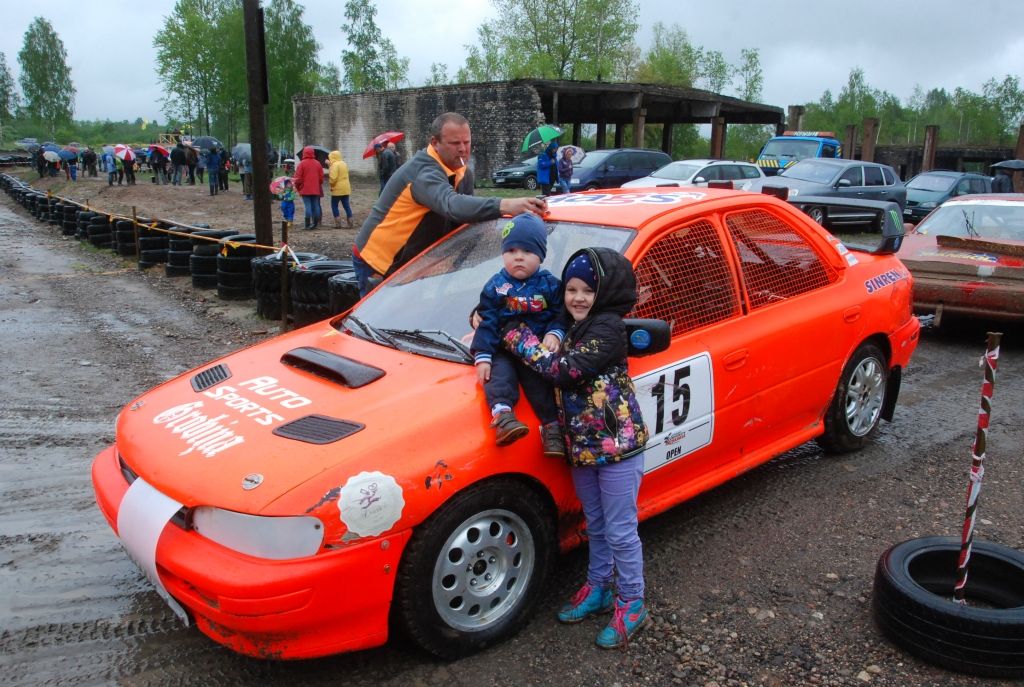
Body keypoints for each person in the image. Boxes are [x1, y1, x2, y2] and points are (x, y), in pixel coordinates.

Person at [500, 247, 650, 649]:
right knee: (596, 525)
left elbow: (563, 371)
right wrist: (488, 316)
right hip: (582, 450)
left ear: (605, 294)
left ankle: (632, 602)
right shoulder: (565, 324)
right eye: (571, 289)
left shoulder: (608, 331)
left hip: (619, 449)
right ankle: (599, 587)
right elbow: (517, 302)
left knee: (620, 531)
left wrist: (513, 334)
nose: (578, 297)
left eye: (587, 290)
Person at [352, 111, 547, 296]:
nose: (463, 149)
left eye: (466, 142)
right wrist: (505, 205)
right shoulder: (424, 173)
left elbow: (468, 224)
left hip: (410, 263)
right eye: (455, 143)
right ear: (435, 143)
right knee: (380, 320)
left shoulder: (462, 172)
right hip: (377, 262)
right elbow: (452, 205)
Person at [471, 213, 564, 454]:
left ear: (541, 255)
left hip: (534, 351)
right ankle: (503, 418)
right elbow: (487, 320)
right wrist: (483, 355)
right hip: (502, 348)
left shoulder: (551, 285)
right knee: (497, 376)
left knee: (539, 384)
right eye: (511, 250)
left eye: (527, 251)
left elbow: (561, 314)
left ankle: (552, 430)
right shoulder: (495, 285)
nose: (519, 257)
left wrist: (555, 332)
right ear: (503, 254)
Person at [292, 146, 324, 230]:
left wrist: (298, 187)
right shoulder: (318, 163)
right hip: (315, 189)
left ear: (304, 153)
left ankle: (307, 224)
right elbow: (321, 178)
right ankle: (315, 223)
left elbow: (297, 178)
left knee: (308, 206)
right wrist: (317, 184)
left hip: (305, 189)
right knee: (316, 205)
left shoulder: (302, 164)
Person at [328, 149, 353, 228]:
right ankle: (350, 222)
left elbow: (333, 178)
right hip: (346, 188)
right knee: (346, 205)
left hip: (337, 189)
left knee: (334, 205)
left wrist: (331, 185)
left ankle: (338, 223)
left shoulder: (334, 165)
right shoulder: (344, 163)